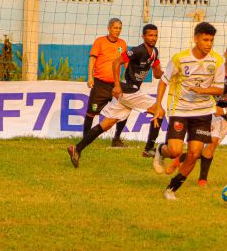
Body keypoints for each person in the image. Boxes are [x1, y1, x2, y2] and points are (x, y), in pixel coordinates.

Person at [67, 24, 163, 168]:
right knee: (160, 111)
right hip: (129, 91)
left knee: (106, 124)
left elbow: (156, 73)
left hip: (128, 94)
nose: (153, 38)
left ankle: (77, 149)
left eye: (155, 35)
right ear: (143, 37)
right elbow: (116, 61)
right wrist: (117, 85)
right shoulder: (137, 51)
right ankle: (149, 148)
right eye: (150, 35)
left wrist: (169, 74)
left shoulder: (154, 52)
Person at [151, 22, 225, 200]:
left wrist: (204, 91)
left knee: (194, 153)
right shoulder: (180, 58)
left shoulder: (217, 61)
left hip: (203, 112)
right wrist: (158, 105)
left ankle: (171, 189)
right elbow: (164, 81)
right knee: (175, 151)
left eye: (211, 41)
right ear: (196, 38)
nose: (208, 44)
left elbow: (220, 89)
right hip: (180, 110)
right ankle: (161, 150)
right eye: (205, 39)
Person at [164, 43, 227, 186]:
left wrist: (224, 111)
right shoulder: (215, 69)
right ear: (225, 55)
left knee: (207, 149)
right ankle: (202, 180)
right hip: (208, 110)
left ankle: (181, 160)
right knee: (212, 142)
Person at [84, 18, 129, 147]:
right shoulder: (100, 42)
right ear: (109, 28)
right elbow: (92, 60)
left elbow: (126, 63)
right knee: (91, 113)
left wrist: (128, 79)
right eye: (115, 28)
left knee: (124, 110)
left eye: (120, 28)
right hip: (100, 84)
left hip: (116, 85)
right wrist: (90, 77)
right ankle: (85, 139)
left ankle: (116, 139)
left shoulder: (123, 44)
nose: (118, 30)